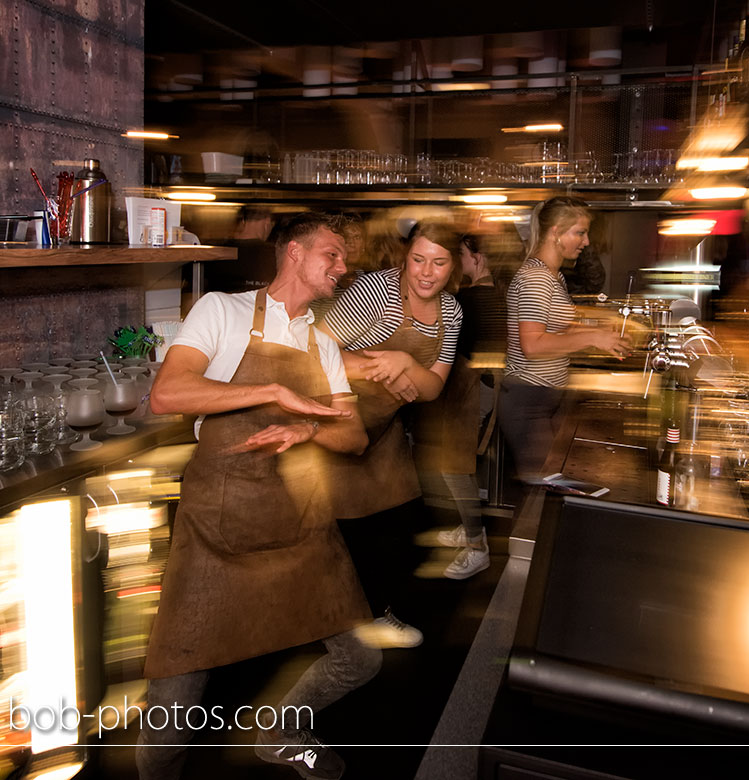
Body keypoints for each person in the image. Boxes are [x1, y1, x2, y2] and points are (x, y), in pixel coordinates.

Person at [138, 212, 380, 780]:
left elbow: (355, 434)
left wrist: (309, 429)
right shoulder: (219, 311)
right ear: (294, 252)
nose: (344, 268)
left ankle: (280, 726)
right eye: (334, 254)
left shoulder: (322, 342)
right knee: (175, 694)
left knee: (361, 659)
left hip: (298, 525)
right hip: (217, 528)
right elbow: (168, 393)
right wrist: (272, 390)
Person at [321, 219, 464, 643]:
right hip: (337, 421)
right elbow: (316, 349)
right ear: (406, 256)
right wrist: (380, 367)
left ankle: (374, 617)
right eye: (418, 259)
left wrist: (405, 365)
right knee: (341, 532)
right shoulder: (376, 292)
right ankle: (336, 628)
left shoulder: (452, 312)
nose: (426, 271)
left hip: (385, 430)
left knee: (398, 526)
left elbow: (434, 387)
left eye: (439, 262)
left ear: (453, 266)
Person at [499, 196, 630, 483]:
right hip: (527, 401)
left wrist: (603, 329)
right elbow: (532, 345)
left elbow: (560, 330)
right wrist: (593, 336)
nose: (585, 242)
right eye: (580, 233)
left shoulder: (552, 276)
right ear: (556, 232)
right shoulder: (536, 279)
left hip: (542, 399)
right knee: (543, 496)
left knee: (550, 492)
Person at [420, 231, 509, 579]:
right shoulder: (493, 293)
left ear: (478, 257)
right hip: (482, 388)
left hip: (472, 390)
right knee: (457, 467)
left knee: (454, 469)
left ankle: (477, 546)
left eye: (461, 255)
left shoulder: (468, 300)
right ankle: (468, 527)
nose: (458, 261)